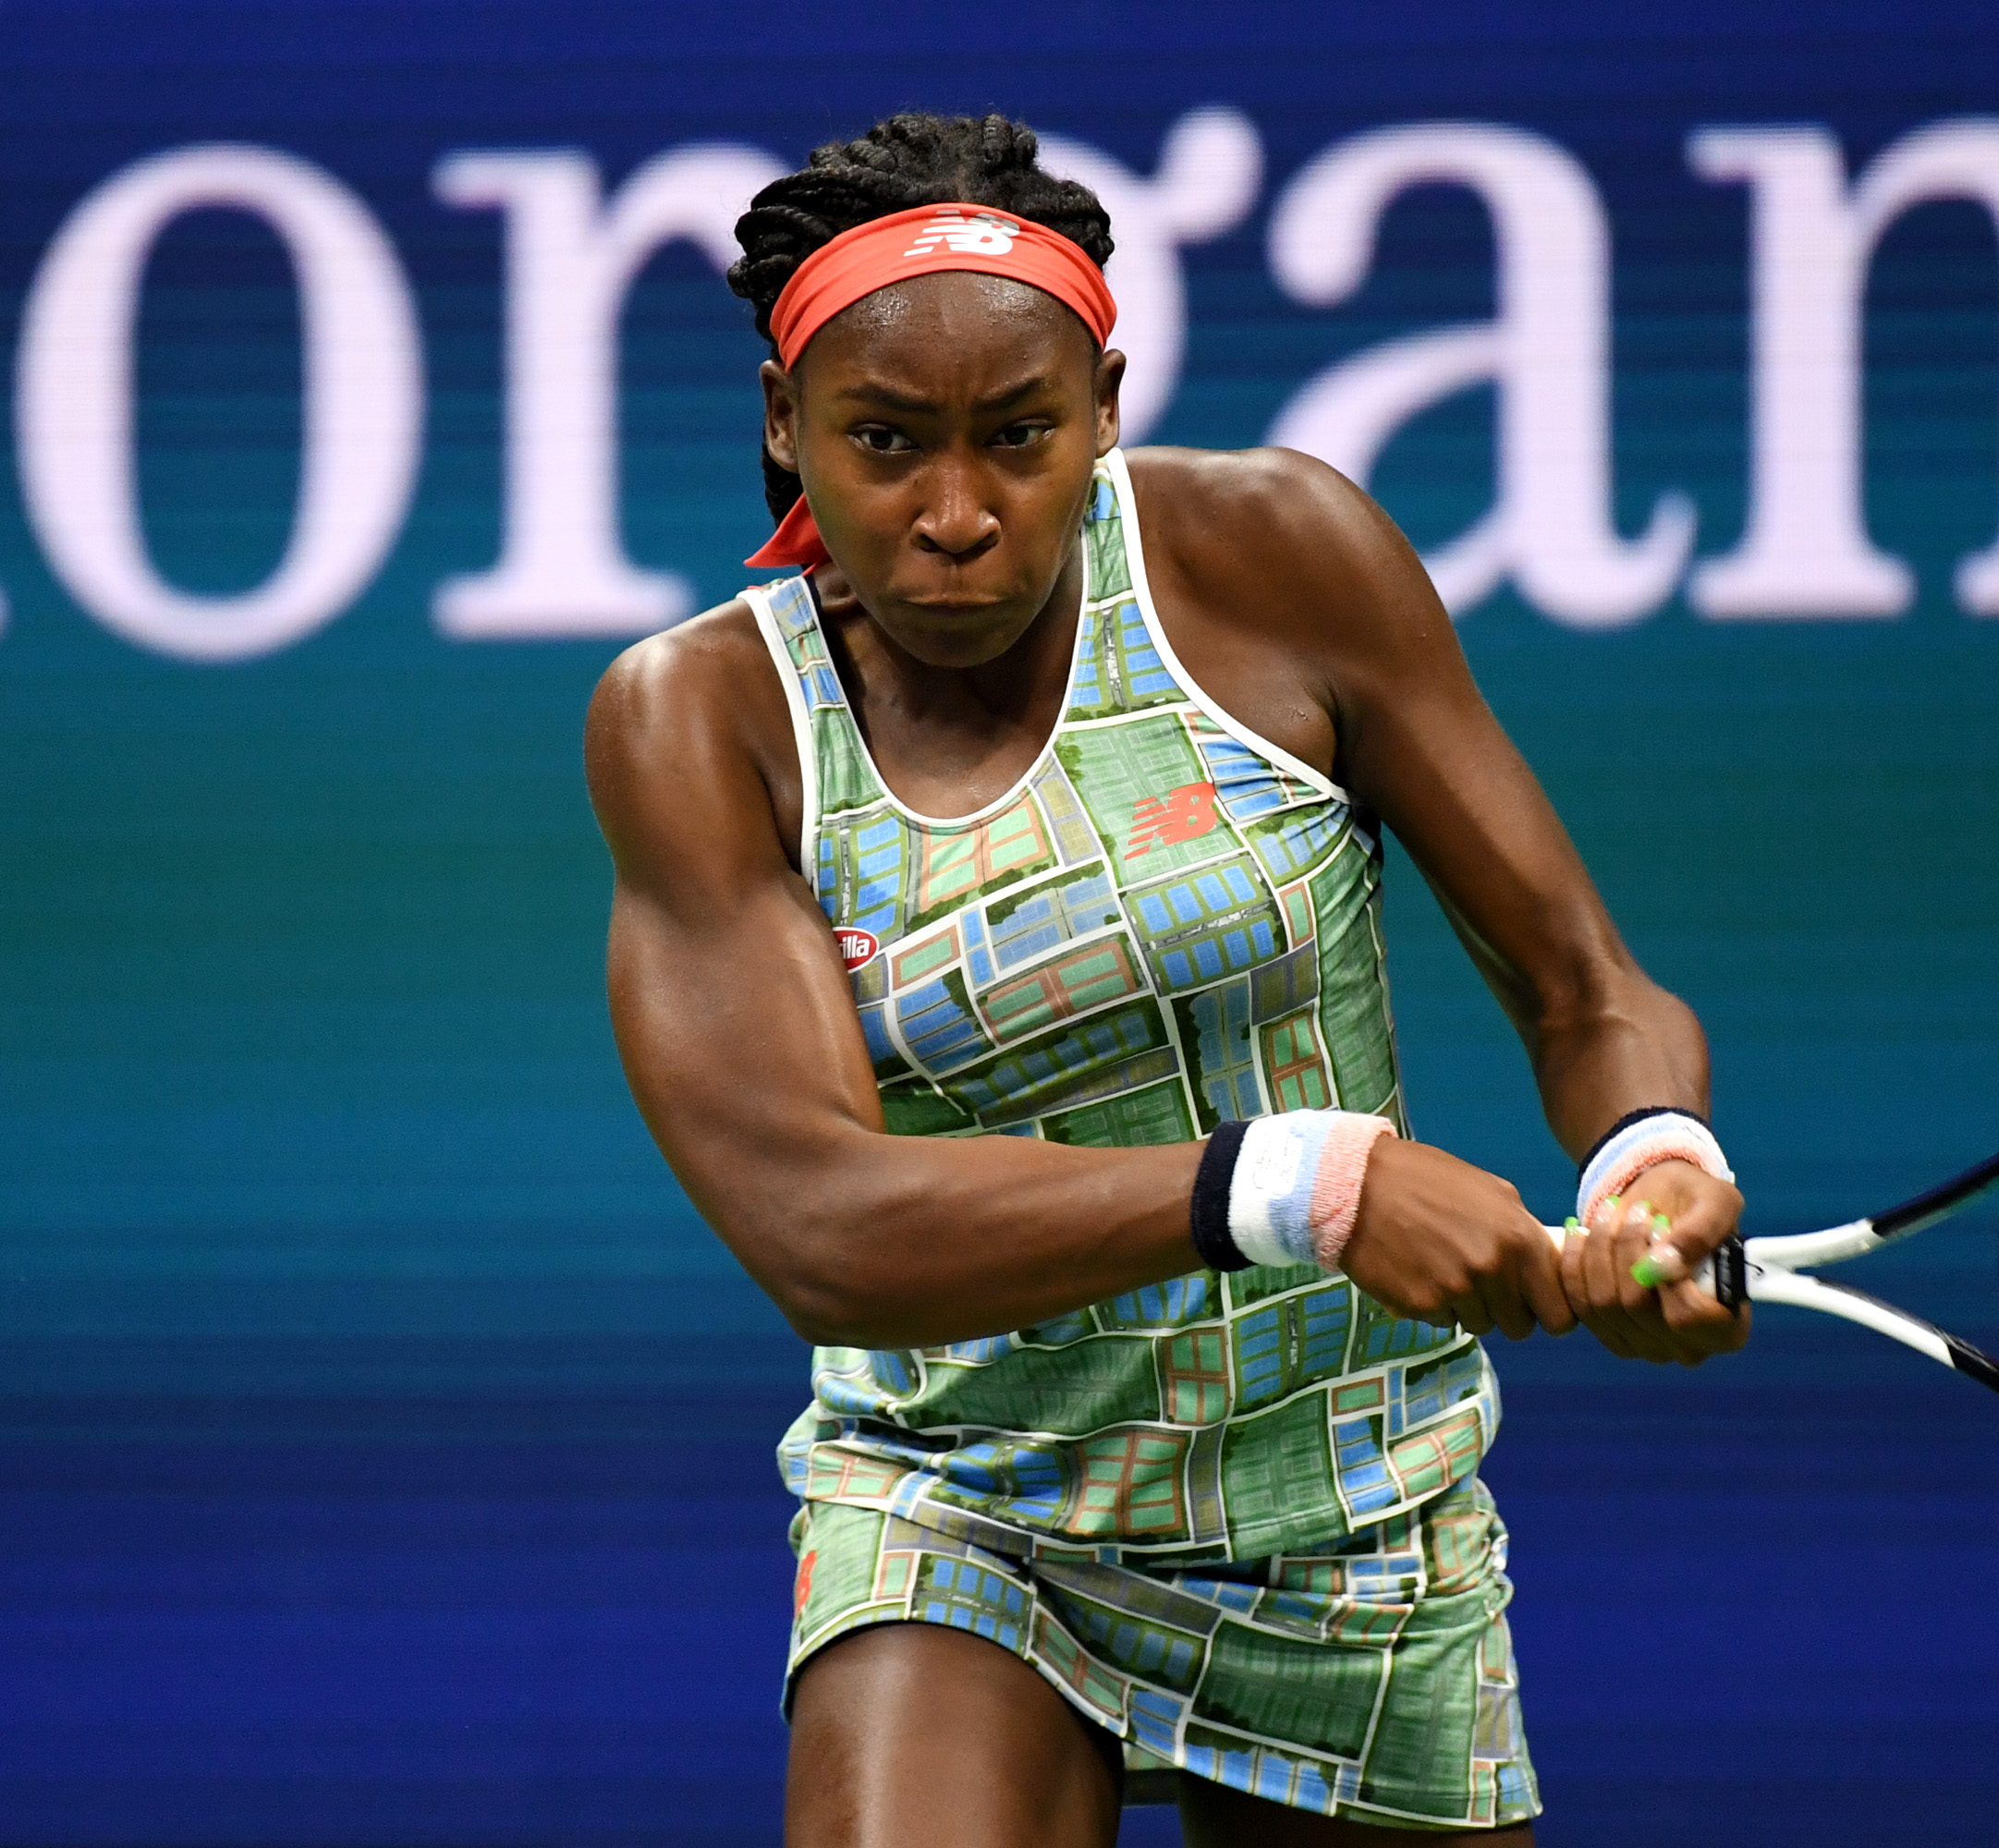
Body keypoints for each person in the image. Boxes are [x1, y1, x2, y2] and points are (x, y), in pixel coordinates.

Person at [583, 111, 1746, 1848]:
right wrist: (1306, 1186)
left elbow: (1584, 984)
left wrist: (1653, 1154)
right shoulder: (704, 721)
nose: (956, 515)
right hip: (967, 1503)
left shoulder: (1277, 556)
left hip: (1356, 1514)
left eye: (1021, 435)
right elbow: (818, 1226)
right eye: (884, 441)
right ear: (782, 422)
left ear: (1106, 407)